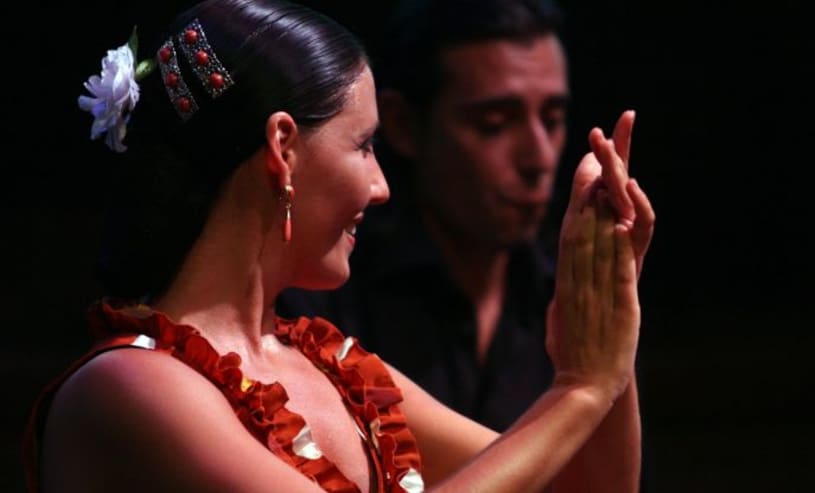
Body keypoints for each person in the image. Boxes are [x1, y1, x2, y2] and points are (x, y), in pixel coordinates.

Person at [24, 0, 653, 491]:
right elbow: (570, 408)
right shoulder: (129, 387)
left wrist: (605, 328)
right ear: (283, 149)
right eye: (363, 146)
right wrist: (576, 388)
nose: (381, 187)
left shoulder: (338, 369)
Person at [277, 0, 625, 433]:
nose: (538, 157)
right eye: (494, 124)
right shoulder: (324, 285)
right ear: (403, 125)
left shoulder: (571, 289)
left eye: (552, 119)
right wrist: (584, 389)